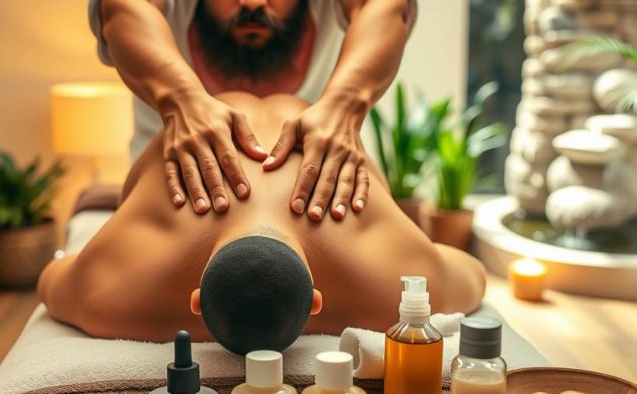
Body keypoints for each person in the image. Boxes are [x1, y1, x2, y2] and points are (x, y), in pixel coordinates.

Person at [39, 93, 485, 355]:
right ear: (314, 304)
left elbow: (51, 277)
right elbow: (474, 271)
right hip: (297, 125)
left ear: (197, 301)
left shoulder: (111, 296)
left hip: (202, 133)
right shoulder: (111, 297)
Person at [89, 0, 417, 221]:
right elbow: (125, 4)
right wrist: (181, 102)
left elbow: (382, 3)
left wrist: (343, 107)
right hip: (176, 183)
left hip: (327, 181)